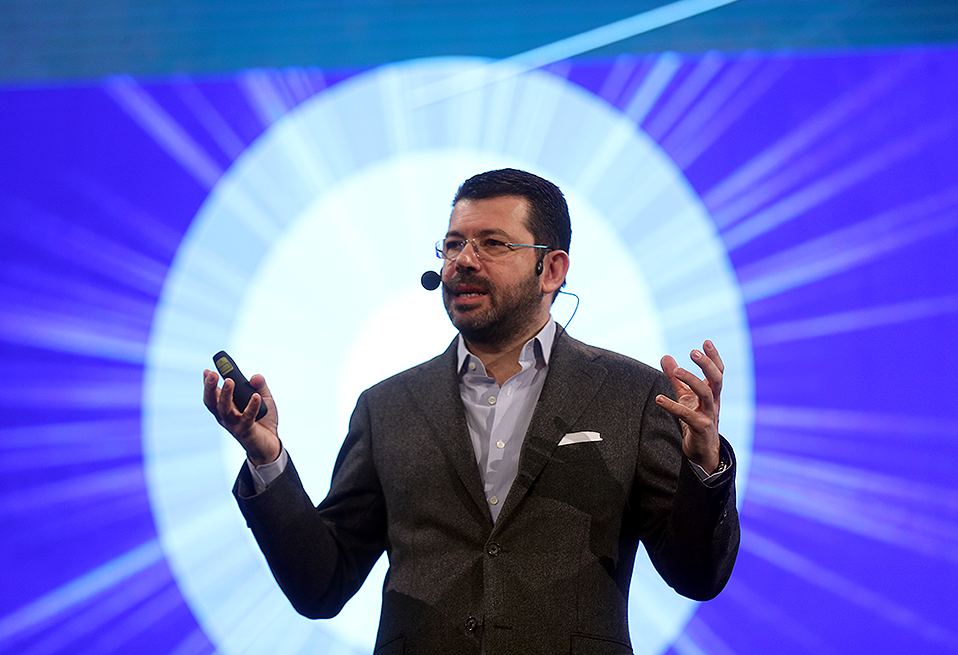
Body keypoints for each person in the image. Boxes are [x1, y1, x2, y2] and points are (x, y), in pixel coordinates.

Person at [203, 168, 739, 655]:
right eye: (454, 244)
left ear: (552, 269)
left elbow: (697, 575)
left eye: (492, 244)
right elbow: (319, 585)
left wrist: (704, 463)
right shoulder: (386, 407)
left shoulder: (634, 394)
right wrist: (266, 458)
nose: (463, 260)